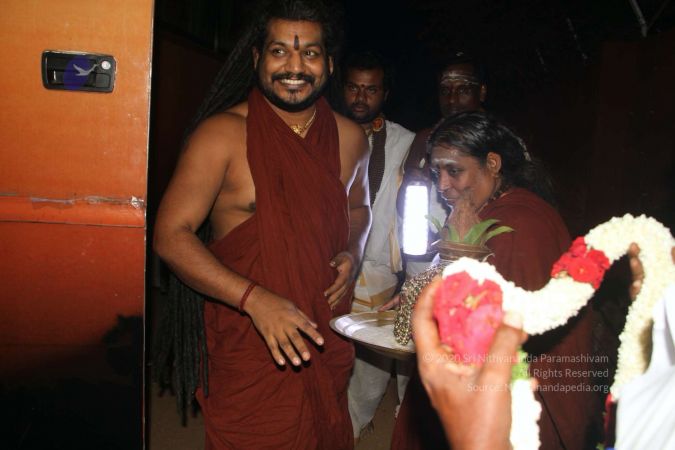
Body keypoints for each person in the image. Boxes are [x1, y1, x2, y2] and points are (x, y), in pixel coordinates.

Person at [152, 1, 371, 448]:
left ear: (329, 64)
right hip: (248, 338)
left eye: (310, 53)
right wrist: (254, 300)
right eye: (279, 51)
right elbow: (170, 236)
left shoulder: (351, 139)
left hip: (322, 330)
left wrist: (353, 251)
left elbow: (358, 210)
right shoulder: (221, 135)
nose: (295, 66)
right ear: (257, 58)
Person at [391, 112, 603, 449]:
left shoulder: (519, 224)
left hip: (519, 395)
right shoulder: (491, 210)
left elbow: (490, 327)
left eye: (454, 171)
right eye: (436, 173)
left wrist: (458, 257)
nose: (442, 185)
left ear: (492, 164)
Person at [336, 50, 415, 439]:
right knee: (330, 351)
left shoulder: (406, 142)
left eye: (371, 89)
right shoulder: (323, 132)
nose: (361, 97)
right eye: (354, 87)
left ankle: (355, 428)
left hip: (378, 267)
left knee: (373, 361)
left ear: (385, 94)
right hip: (330, 262)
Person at [400, 53, 488, 277]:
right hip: (423, 267)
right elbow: (404, 205)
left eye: (463, 90)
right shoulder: (424, 140)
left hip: (479, 267)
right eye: (445, 91)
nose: (452, 100)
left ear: (481, 92)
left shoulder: (497, 142)